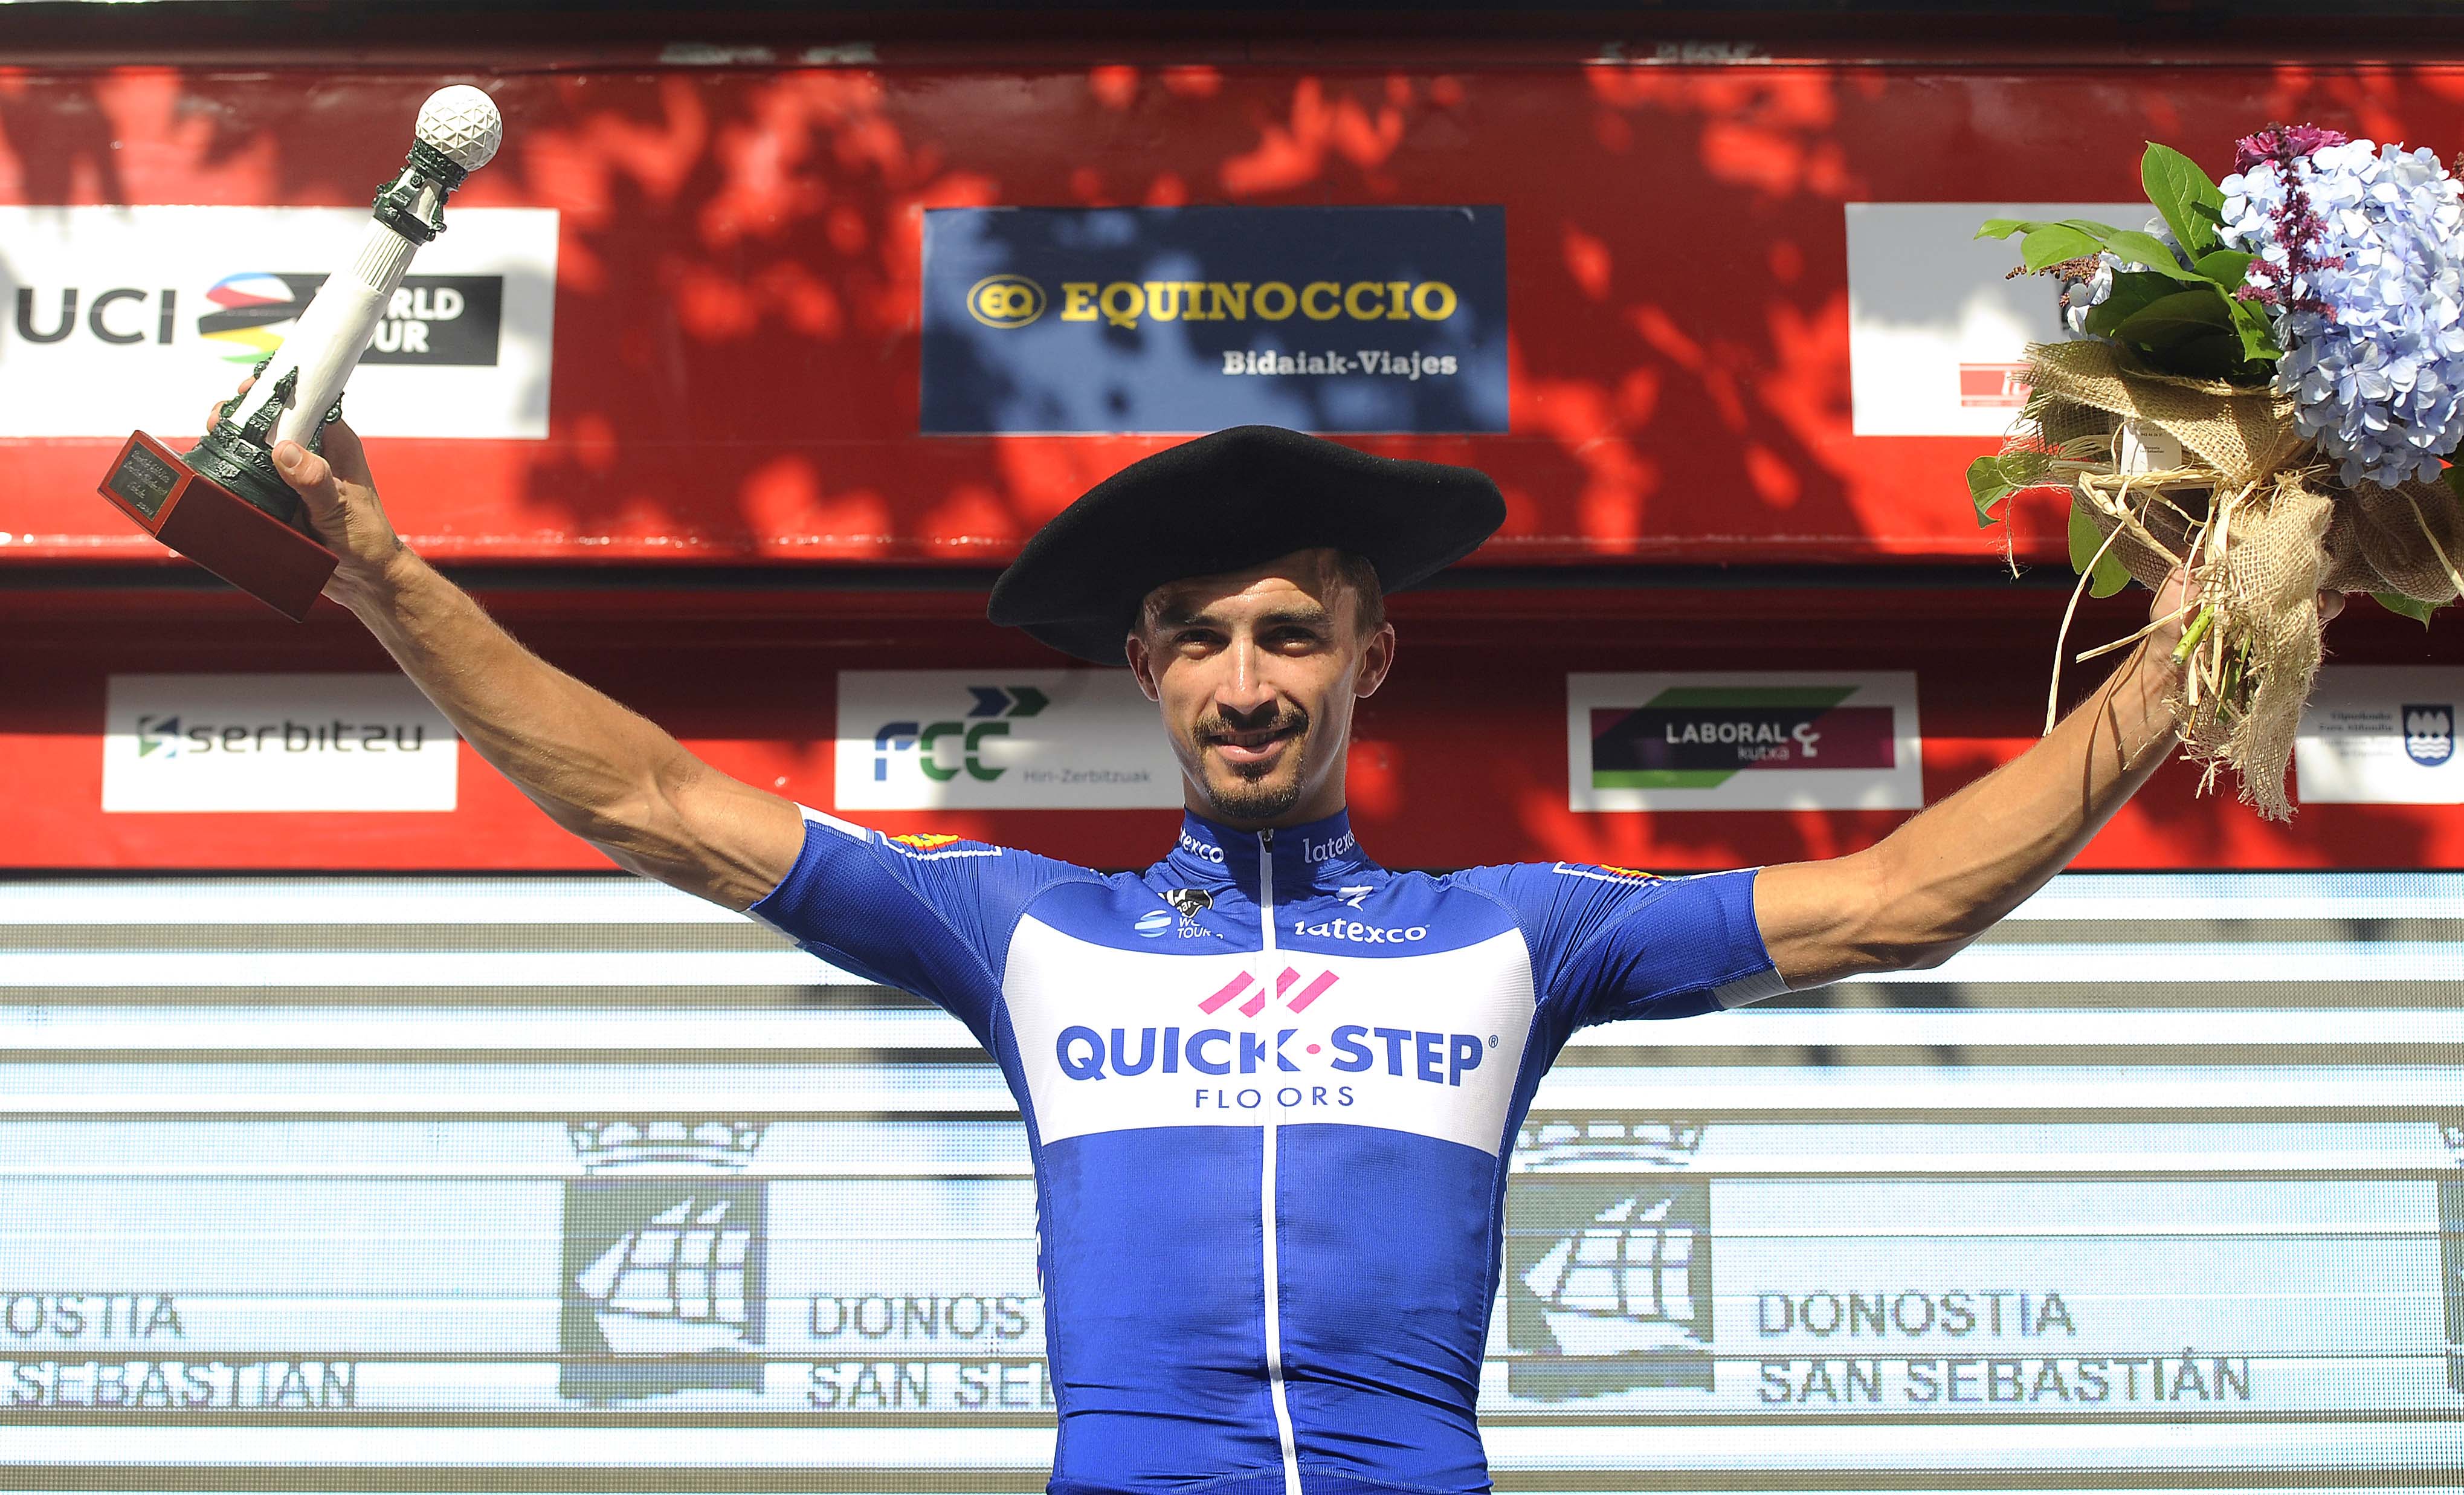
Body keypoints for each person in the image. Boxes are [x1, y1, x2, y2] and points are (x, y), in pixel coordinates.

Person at [252, 407, 2326, 1495]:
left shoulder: (1521, 935)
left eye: (1294, 632)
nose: (1251, 680)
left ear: (1370, 658)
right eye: (1207, 637)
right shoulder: (1018, 923)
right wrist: (390, 580)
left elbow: (1905, 896)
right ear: (1146, 667)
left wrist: (2207, 638)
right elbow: (657, 804)